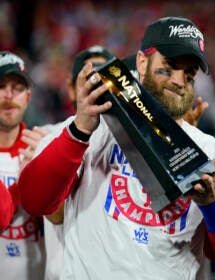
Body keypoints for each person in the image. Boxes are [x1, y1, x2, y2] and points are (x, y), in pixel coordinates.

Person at [18, 16, 215, 279]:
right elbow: (34, 200)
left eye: (189, 74)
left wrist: (214, 204)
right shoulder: (93, 126)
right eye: (169, 67)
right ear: (142, 63)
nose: (179, 80)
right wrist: (78, 131)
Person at [41, 45, 114, 280]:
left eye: (105, 77)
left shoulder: (134, 145)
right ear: (71, 89)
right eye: (88, 78)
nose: (97, 86)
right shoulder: (48, 139)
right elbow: (55, 212)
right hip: (65, 272)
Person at [0, 51, 48, 279]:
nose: (8, 95)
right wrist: (24, 183)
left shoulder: (41, 147)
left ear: (27, 98)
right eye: (1, 86)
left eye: (17, 88)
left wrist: (49, 169)